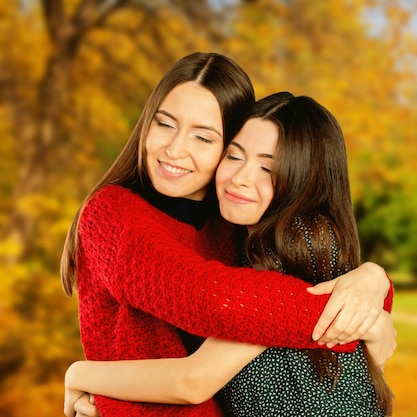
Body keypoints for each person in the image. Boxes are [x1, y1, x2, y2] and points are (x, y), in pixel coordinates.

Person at [60, 53, 394, 416]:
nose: (174, 149)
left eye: (204, 137)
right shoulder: (113, 213)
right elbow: (207, 298)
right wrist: (363, 314)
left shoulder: (237, 226)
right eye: (164, 124)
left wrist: (371, 282)